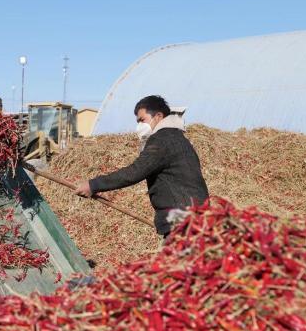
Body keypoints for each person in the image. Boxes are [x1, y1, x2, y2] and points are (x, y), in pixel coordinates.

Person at [74, 95, 209, 239]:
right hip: (193, 219)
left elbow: (134, 172)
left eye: (142, 120)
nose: (139, 126)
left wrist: (93, 185)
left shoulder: (163, 139)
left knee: (177, 260)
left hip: (183, 222)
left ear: (158, 116)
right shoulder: (178, 138)